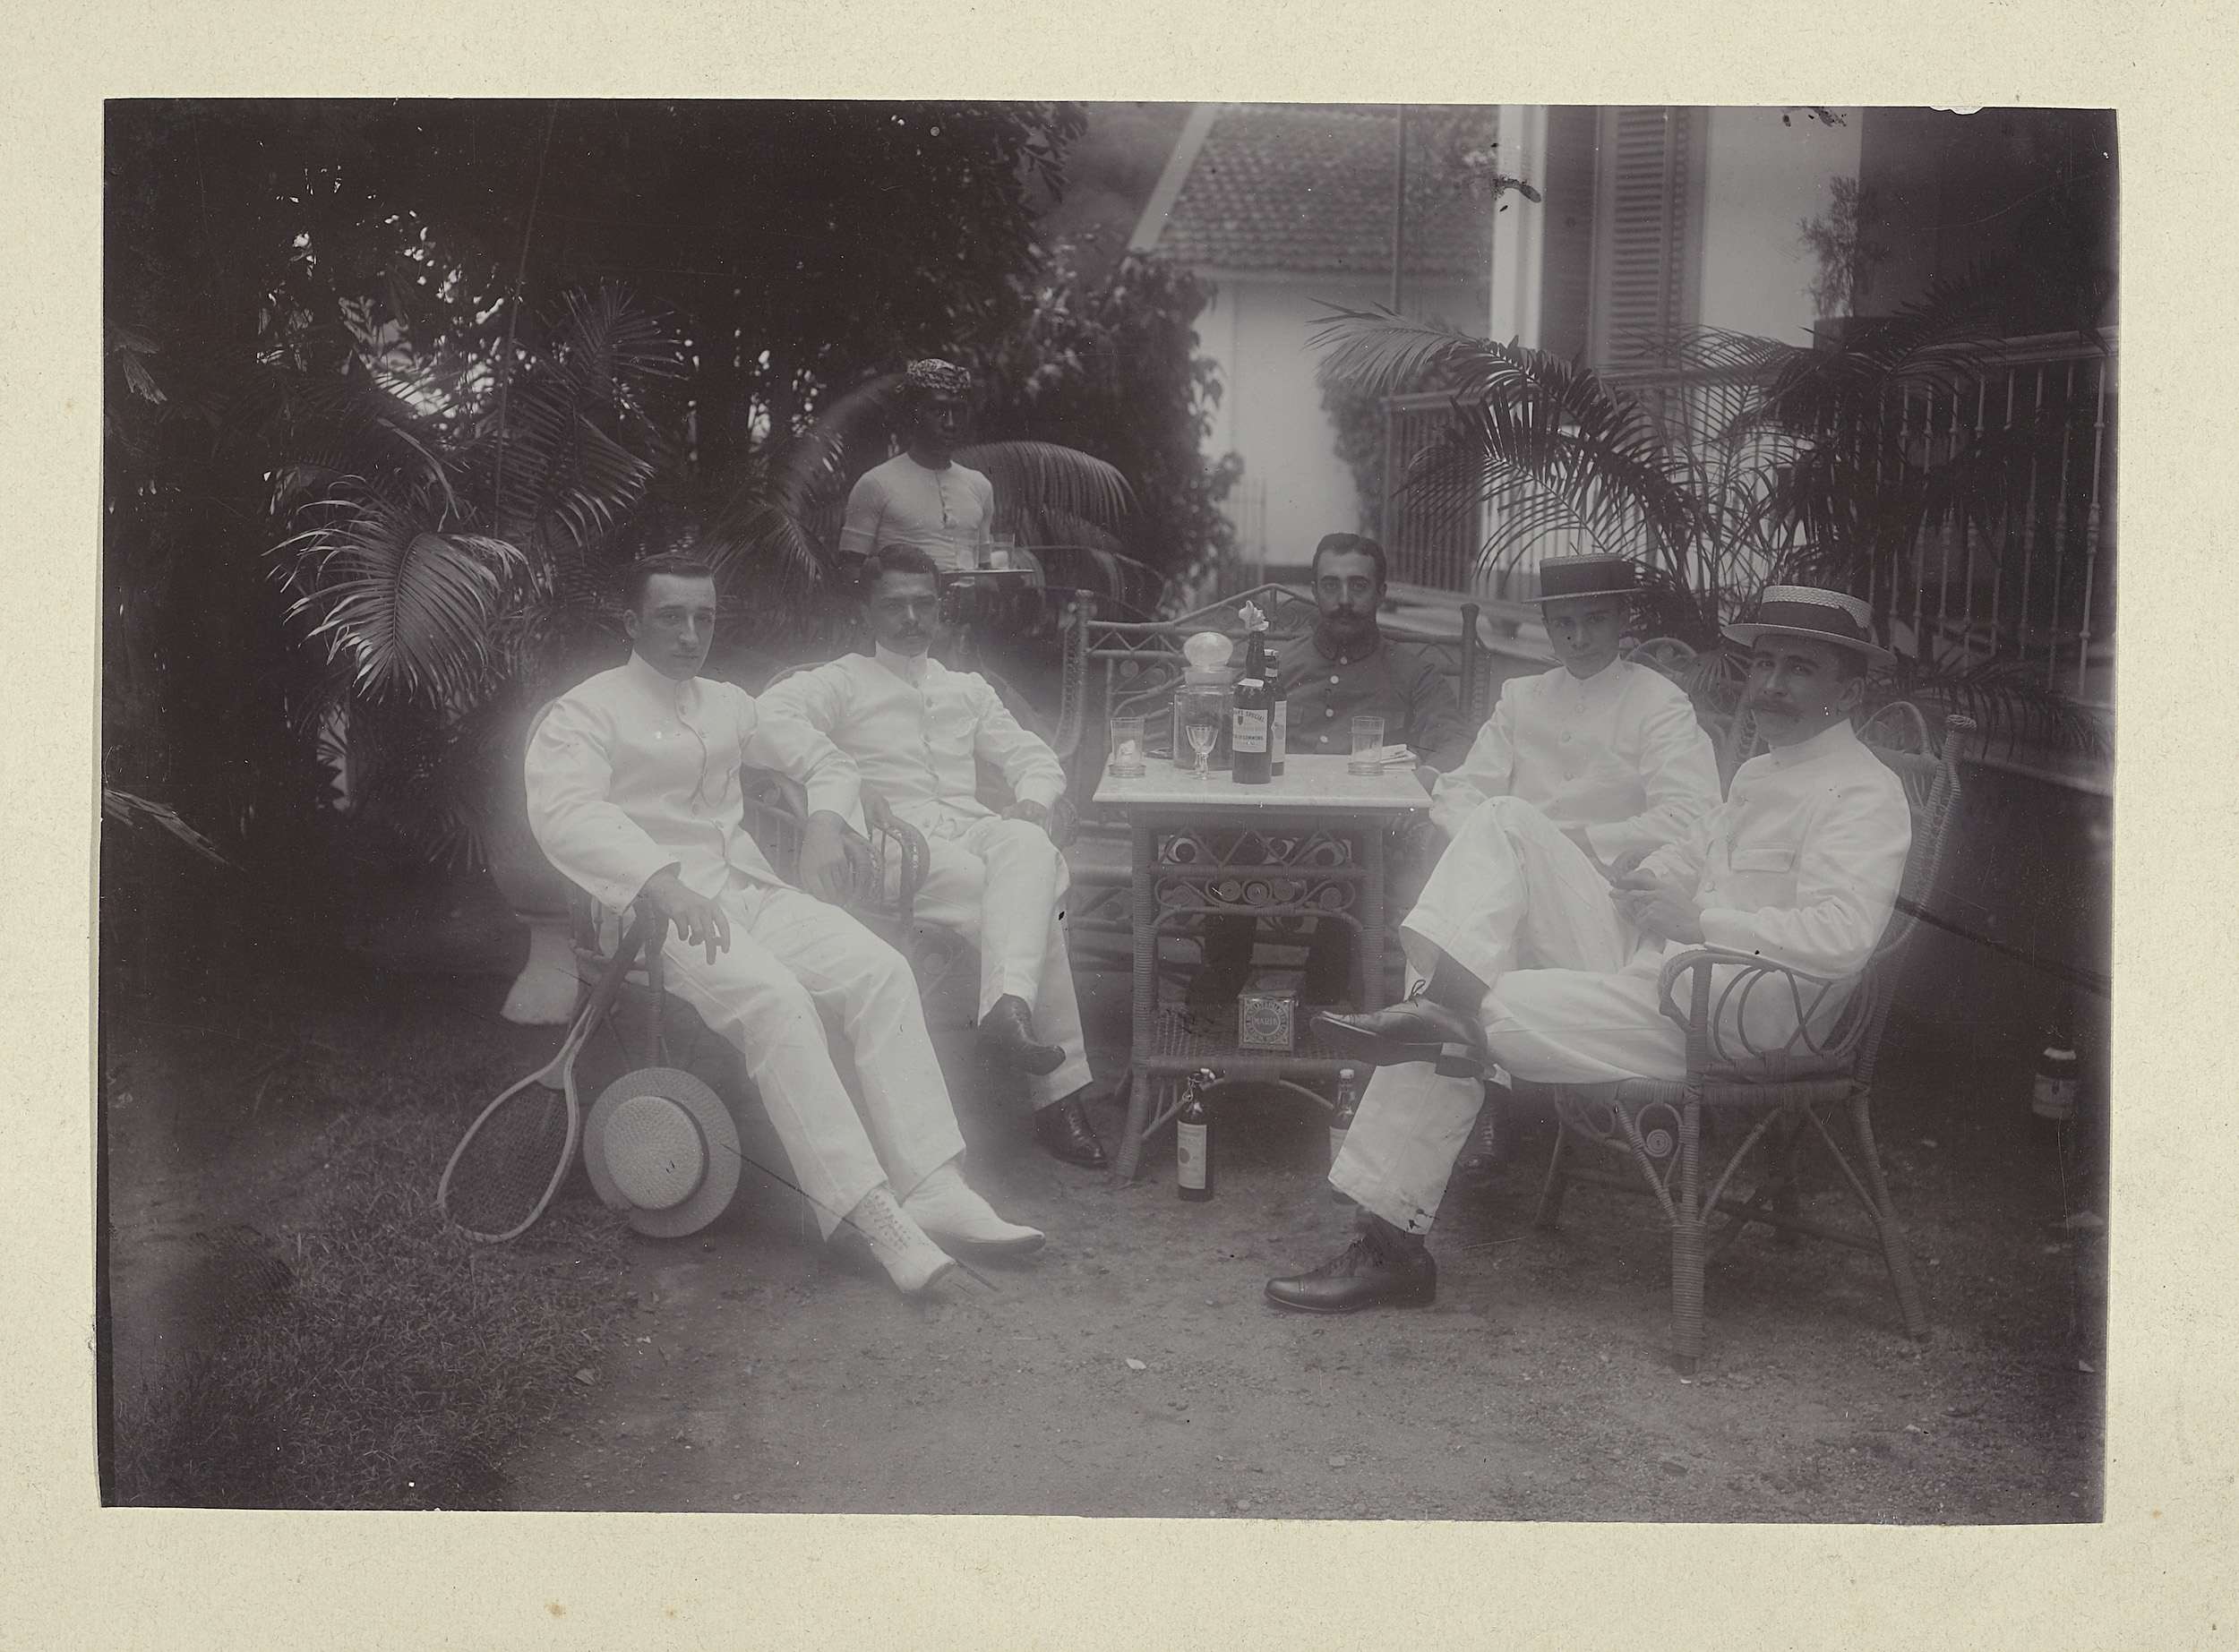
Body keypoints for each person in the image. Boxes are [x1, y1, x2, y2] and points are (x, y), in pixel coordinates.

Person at [1268, 584, 1912, 1313]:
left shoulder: (1863, 791)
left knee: (1474, 1011)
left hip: (1739, 1014)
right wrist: (1652, 880)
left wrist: (1700, 919)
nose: (1771, 684)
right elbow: (1698, 854)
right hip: (1666, 968)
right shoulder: (1765, 769)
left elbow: (1842, 937)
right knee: (1506, 820)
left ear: (1849, 691)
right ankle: (1438, 1007)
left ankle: (1390, 1245)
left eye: (1799, 668)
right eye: (1765, 663)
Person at [525, 552, 1045, 1300]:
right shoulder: (586, 713)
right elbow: (567, 811)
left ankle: (935, 1183)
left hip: (746, 890)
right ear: (632, 622)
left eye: (704, 617)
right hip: (648, 914)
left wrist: (827, 824)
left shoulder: (730, 704)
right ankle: (866, 1212)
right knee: (778, 1000)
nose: (691, 634)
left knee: (881, 970)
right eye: (671, 617)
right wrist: (659, 880)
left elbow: (829, 762)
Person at [1317, 550, 1722, 1177]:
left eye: (1594, 620)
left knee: (1496, 843)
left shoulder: (1658, 703)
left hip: (1603, 912)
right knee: (1478, 890)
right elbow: (1465, 788)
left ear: (1623, 620)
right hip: (1511, 892)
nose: (1578, 637)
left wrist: (1569, 840)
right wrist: (1486, 834)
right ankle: (1390, 1179)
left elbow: (1694, 814)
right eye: (1564, 623)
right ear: (1547, 626)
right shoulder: (1522, 697)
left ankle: (1468, 1084)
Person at [758, 546, 1109, 1169]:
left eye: (924, 604)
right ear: (867, 611)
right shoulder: (840, 681)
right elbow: (766, 719)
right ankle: (1058, 1098)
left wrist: (1032, 800)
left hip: (969, 832)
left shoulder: (965, 688)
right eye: (895, 605)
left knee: (1029, 843)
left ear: (941, 609)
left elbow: (1032, 757)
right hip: (894, 850)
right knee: (1029, 900)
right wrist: (840, 778)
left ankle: (1007, 1008)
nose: (911, 618)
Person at [1191, 532, 1475, 1007]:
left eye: (1358, 586)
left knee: (1361, 855)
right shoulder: (1277, 667)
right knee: (1225, 837)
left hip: (1362, 837)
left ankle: (1321, 1002)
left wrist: (1423, 778)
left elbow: (1456, 741)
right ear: (1314, 591)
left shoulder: (1411, 673)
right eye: (1331, 585)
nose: (1344, 599)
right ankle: (1221, 992)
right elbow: (1227, 729)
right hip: (1269, 829)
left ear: (1381, 592)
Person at [837, 358, 993, 575]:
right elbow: (849, 572)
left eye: (958, 411)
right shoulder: (876, 483)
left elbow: (986, 571)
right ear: (912, 415)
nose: (950, 423)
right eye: (937, 411)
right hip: (903, 597)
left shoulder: (979, 485)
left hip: (967, 598)